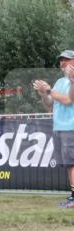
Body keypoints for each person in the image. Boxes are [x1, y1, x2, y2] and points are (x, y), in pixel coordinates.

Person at [33, 49, 74, 209]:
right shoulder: (60, 81)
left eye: (67, 59)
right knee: (69, 164)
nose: (62, 63)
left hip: (71, 128)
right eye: (61, 60)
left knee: (72, 164)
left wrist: (49, 90)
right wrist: (43, 94)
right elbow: (50, 104)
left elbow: (68, 100)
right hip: (61, 128)